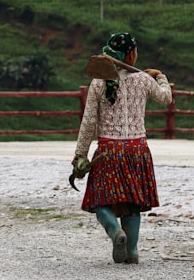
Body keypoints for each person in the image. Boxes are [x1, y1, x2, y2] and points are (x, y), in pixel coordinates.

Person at [72, 32, 172, 264]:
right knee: (132, 204)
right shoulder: (144, 80)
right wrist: (160, 76)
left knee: (101, 201)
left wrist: (80, 154)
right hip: (137, 149)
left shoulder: (98, 83)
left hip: (109, 150)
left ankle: (116, 232)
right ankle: (133, 252)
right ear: (130, 54)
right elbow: (166, 98)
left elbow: (88, 123)